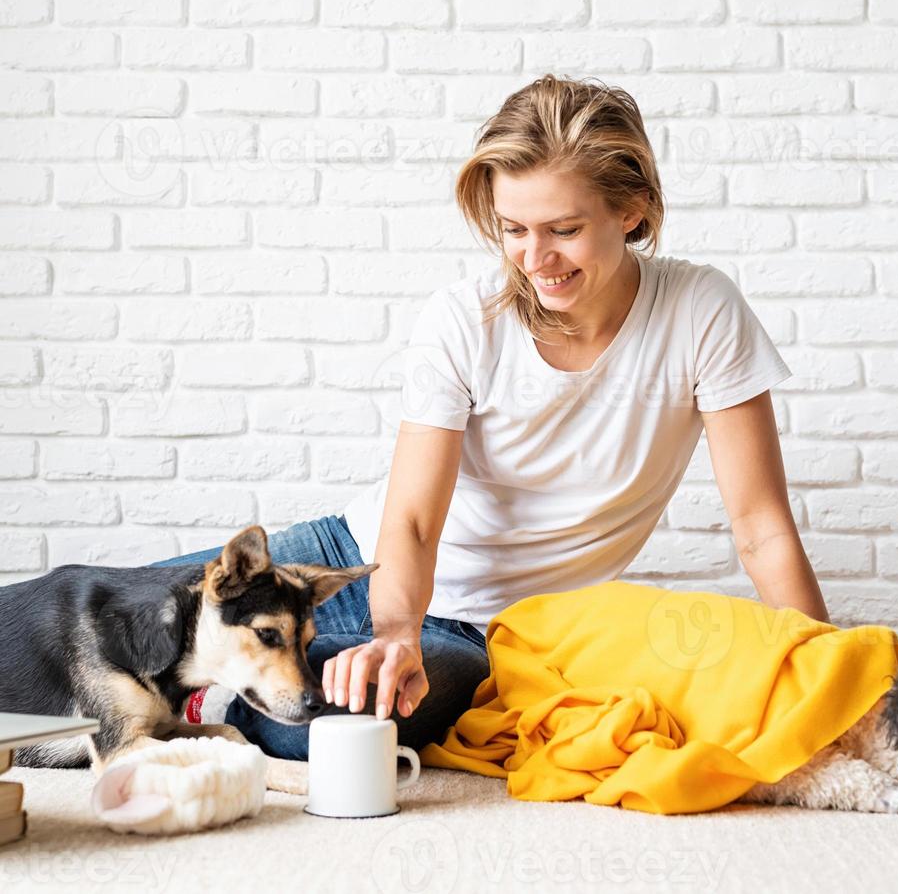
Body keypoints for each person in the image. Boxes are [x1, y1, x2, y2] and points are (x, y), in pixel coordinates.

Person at [152, 74, 830, 761]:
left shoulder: (701, 311)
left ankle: (209, 697)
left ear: (631, 211)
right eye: (513, 231)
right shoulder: (465, 317)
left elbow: (760, 528)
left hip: (482, 634)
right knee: (87, 633)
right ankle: (203, 684)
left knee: (339, 724)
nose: (536, 260)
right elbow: (412, 520)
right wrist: (393, 632)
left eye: (564, 230)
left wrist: (825, 670)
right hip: (341, 564)